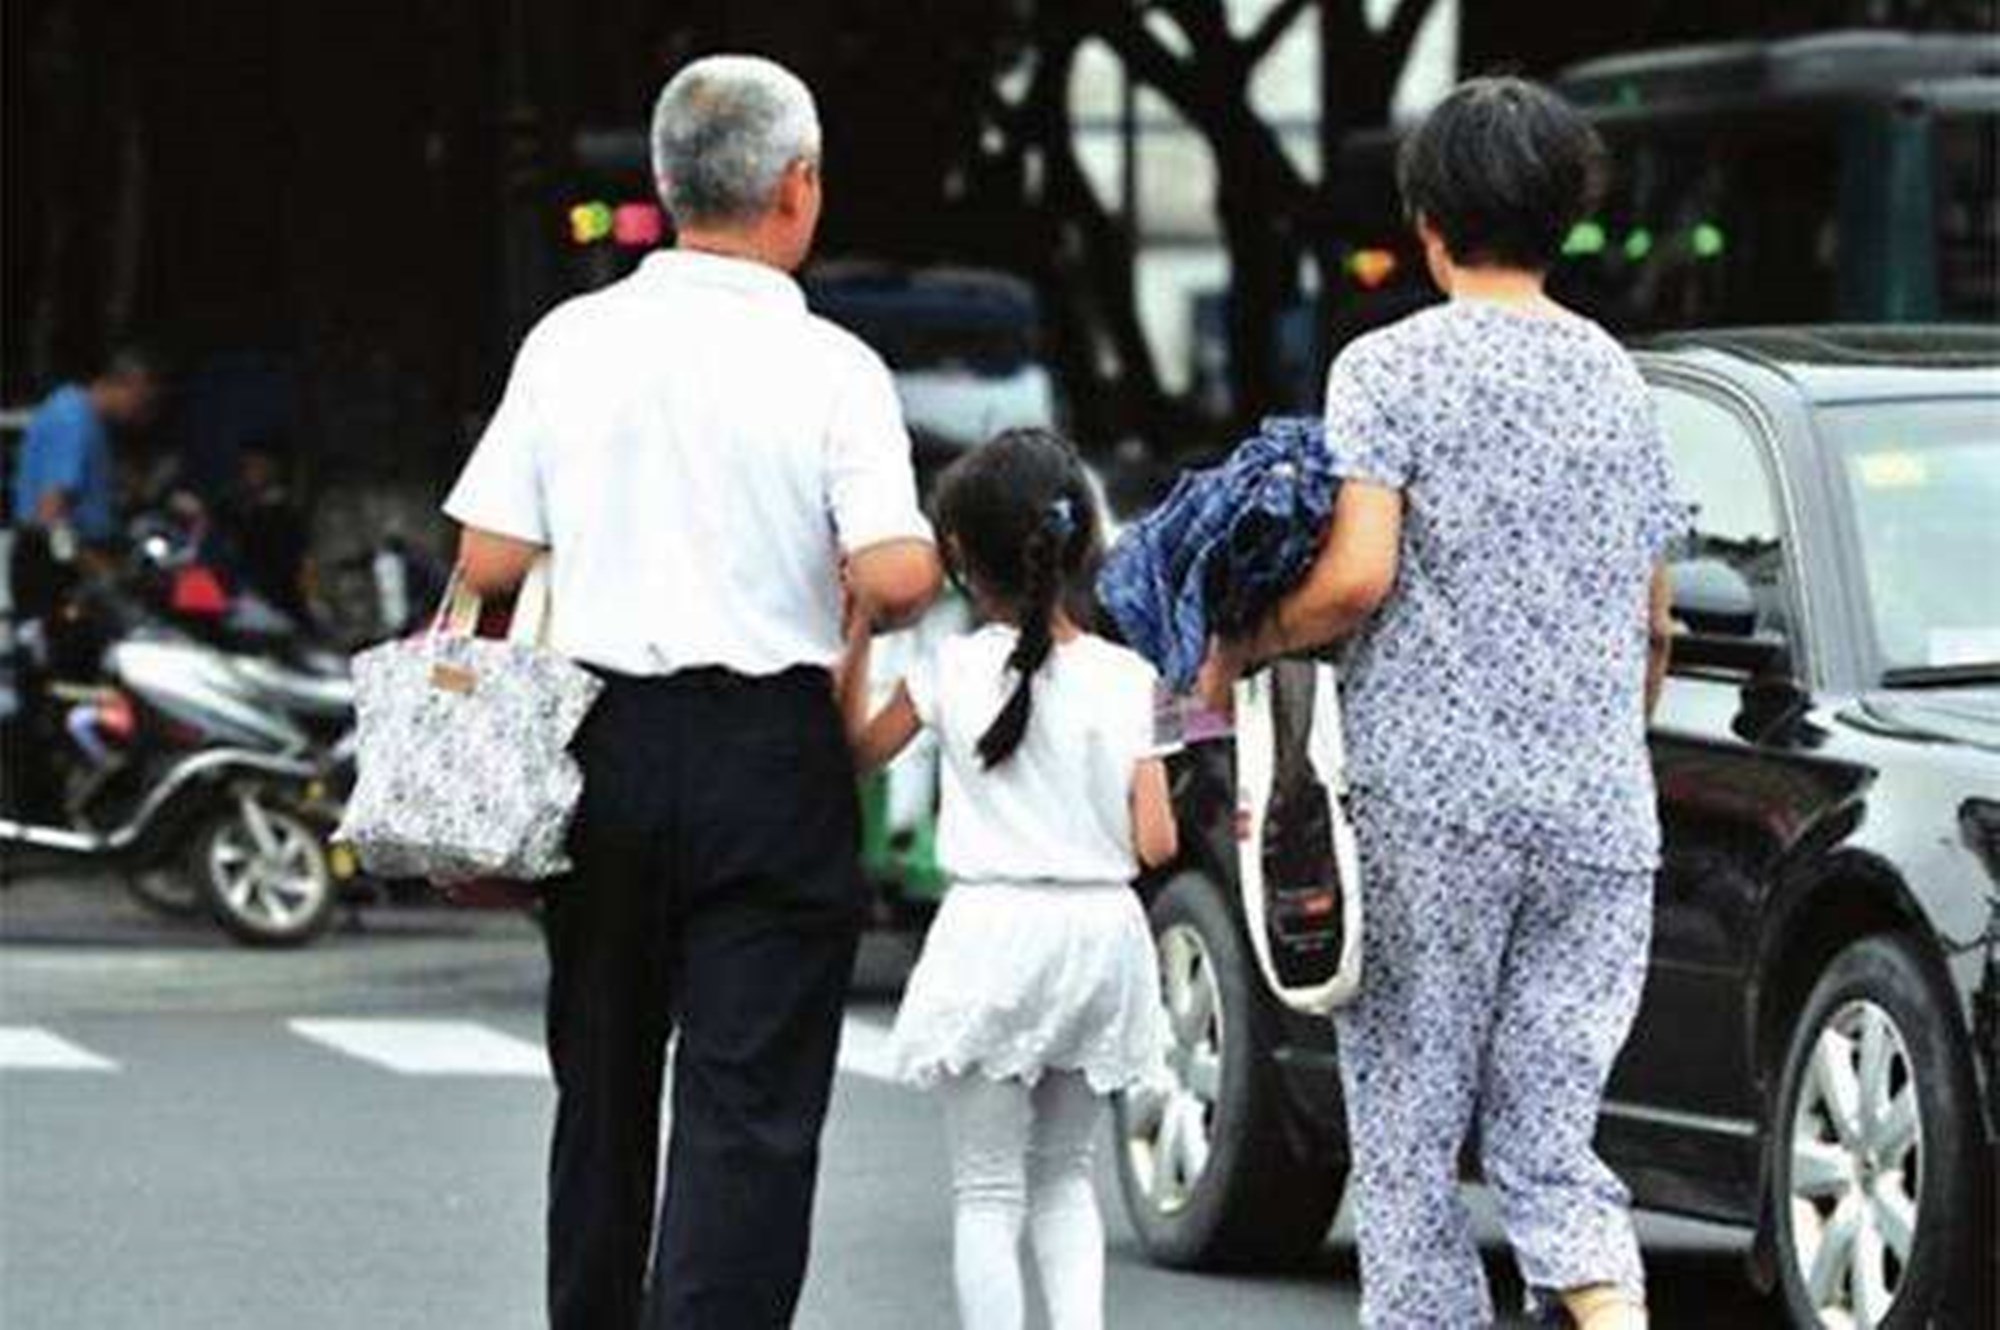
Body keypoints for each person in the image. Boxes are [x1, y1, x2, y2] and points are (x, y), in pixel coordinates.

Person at [442, 55, 941, 1329]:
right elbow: (893, 572)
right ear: (796, 187)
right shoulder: (832, 366)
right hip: (769, 754)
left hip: (598, 745)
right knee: (748, 1108)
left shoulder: (570, 341)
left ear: (665, 185)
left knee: (601, 1086)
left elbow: (487, 558)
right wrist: (897, 571)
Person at [1200, 78, 1682, 1330]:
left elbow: (1356, 577)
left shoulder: (1387, 368)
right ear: (1563, 215)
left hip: (1432, 809)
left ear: (1425, 220)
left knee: (1409, 1144)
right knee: (1551, 1134)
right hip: (1597, 814)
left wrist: (1245, 637)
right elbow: (1652, 621)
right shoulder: (1619, 379)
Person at [840, 429, 1178, 1330]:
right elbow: (1156, 843)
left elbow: (856, 754)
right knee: (1067, 1177)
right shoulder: (1134, 678)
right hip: (1100, 937)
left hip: (991, 935)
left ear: (958, 556)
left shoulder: (948, 670)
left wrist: (859, 630)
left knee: (986, 1191)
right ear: (1082, 544)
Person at [10, 346, 164, 554]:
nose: (143, 413)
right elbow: (51, 512)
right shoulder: (73, 419)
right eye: (142, 401)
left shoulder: (92, 421)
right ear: (124, 386)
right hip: (57, 556)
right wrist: (93, 565)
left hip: (75, 549)